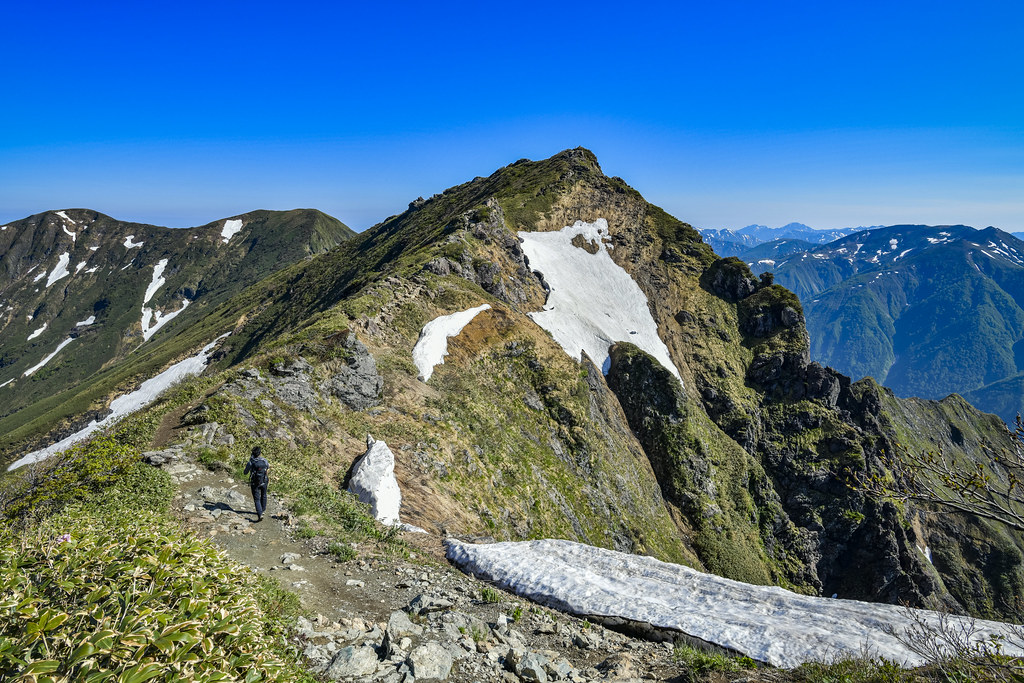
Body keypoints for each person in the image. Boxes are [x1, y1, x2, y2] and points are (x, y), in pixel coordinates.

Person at [244, 446, 270, 522]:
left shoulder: (251, 462)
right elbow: (268, 467)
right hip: (264, 481)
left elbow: (245, 472)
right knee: (264, 495)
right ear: (260, 453)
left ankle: (260, 513)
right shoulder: (264, 460)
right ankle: (263, 510)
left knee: (257, 499)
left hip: (255, 482)